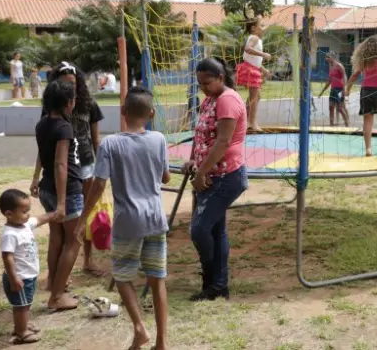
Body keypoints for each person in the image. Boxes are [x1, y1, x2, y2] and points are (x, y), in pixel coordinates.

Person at [76, 86, 171, 350]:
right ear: (151, 113)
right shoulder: (159, 139)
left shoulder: (110, 143)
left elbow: (98, 184)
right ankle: (161, 342)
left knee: (121, 275)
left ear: (123, 111)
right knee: (157, 279)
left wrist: (84, 217)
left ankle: (140, 328)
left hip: (128, 220)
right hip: (155, 218)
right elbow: (165, 177)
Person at [182, 57, 248, 301]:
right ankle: (217, 285)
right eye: (199, 84)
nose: (203, 88)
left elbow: (223, 141)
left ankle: (212, 279)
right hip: (211, 173)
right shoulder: (210, 100)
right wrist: (193, 160)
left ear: (221, 78)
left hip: (225, 175)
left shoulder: (228, 100)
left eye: (207, 83)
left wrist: (201, 173)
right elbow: (199, 135)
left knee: (199, 230)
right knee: (215, 229)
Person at [31, 62, 105, 278]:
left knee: (86, 213)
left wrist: (101, 168)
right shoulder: (51, 111)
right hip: (63, 170)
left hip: (86, 165)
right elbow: (44, 148)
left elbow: (96, 139)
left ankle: (88, 260)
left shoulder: (88, 104)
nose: (68, 88)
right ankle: (59, 278)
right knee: (67, 225)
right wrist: (36, 175)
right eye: (63, 84)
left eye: (72, 83)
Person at [34, 79, 83, 311]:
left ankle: (54, 284)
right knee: (73, 240)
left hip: (47, 188)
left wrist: (36, 179)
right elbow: (61, 164)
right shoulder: (64, 127)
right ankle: (56, 297)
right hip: (66, 190)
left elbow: (42, 156)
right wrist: (63, 203)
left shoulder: (42, 124)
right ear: (68, 103)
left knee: (57, 238)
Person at [0, 189, 61, 345]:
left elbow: (40, 219)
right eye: (24, 211)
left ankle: (23, 324)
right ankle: (21, 332)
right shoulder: (10, 234)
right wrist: (14, 278)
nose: (28, 214)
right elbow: (7, 257)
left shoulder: (25, 225)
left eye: (28, 211)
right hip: (19, 277)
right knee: (21, 307)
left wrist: (54, 213)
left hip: (28, 275)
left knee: (25, 304)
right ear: (9, 214)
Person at [235, 19, 272, 132]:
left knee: (256, 96)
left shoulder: (257, 39)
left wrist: (264, 70)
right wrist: (263, 54)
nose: (263, 27)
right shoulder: (254, 38)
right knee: (254, 96)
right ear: (253, 28)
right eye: (261, 25)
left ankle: (246, 120)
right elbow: (247, 50)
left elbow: (254, 60)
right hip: (250, 69)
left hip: (253, 68)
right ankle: (252, 122)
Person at [318, 51, 349, 127]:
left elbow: (345, 76)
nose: (326, 59)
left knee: (340, 109)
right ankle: (331, 125)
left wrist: (344, 89)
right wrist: (322, 91)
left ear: (333, 57)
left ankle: (347, 125)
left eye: (328, 57)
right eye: (326, 57)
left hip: (340, 89)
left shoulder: (339, 66)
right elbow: (329, 80)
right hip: (333, 90)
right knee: (331, 107)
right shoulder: (330, 66)